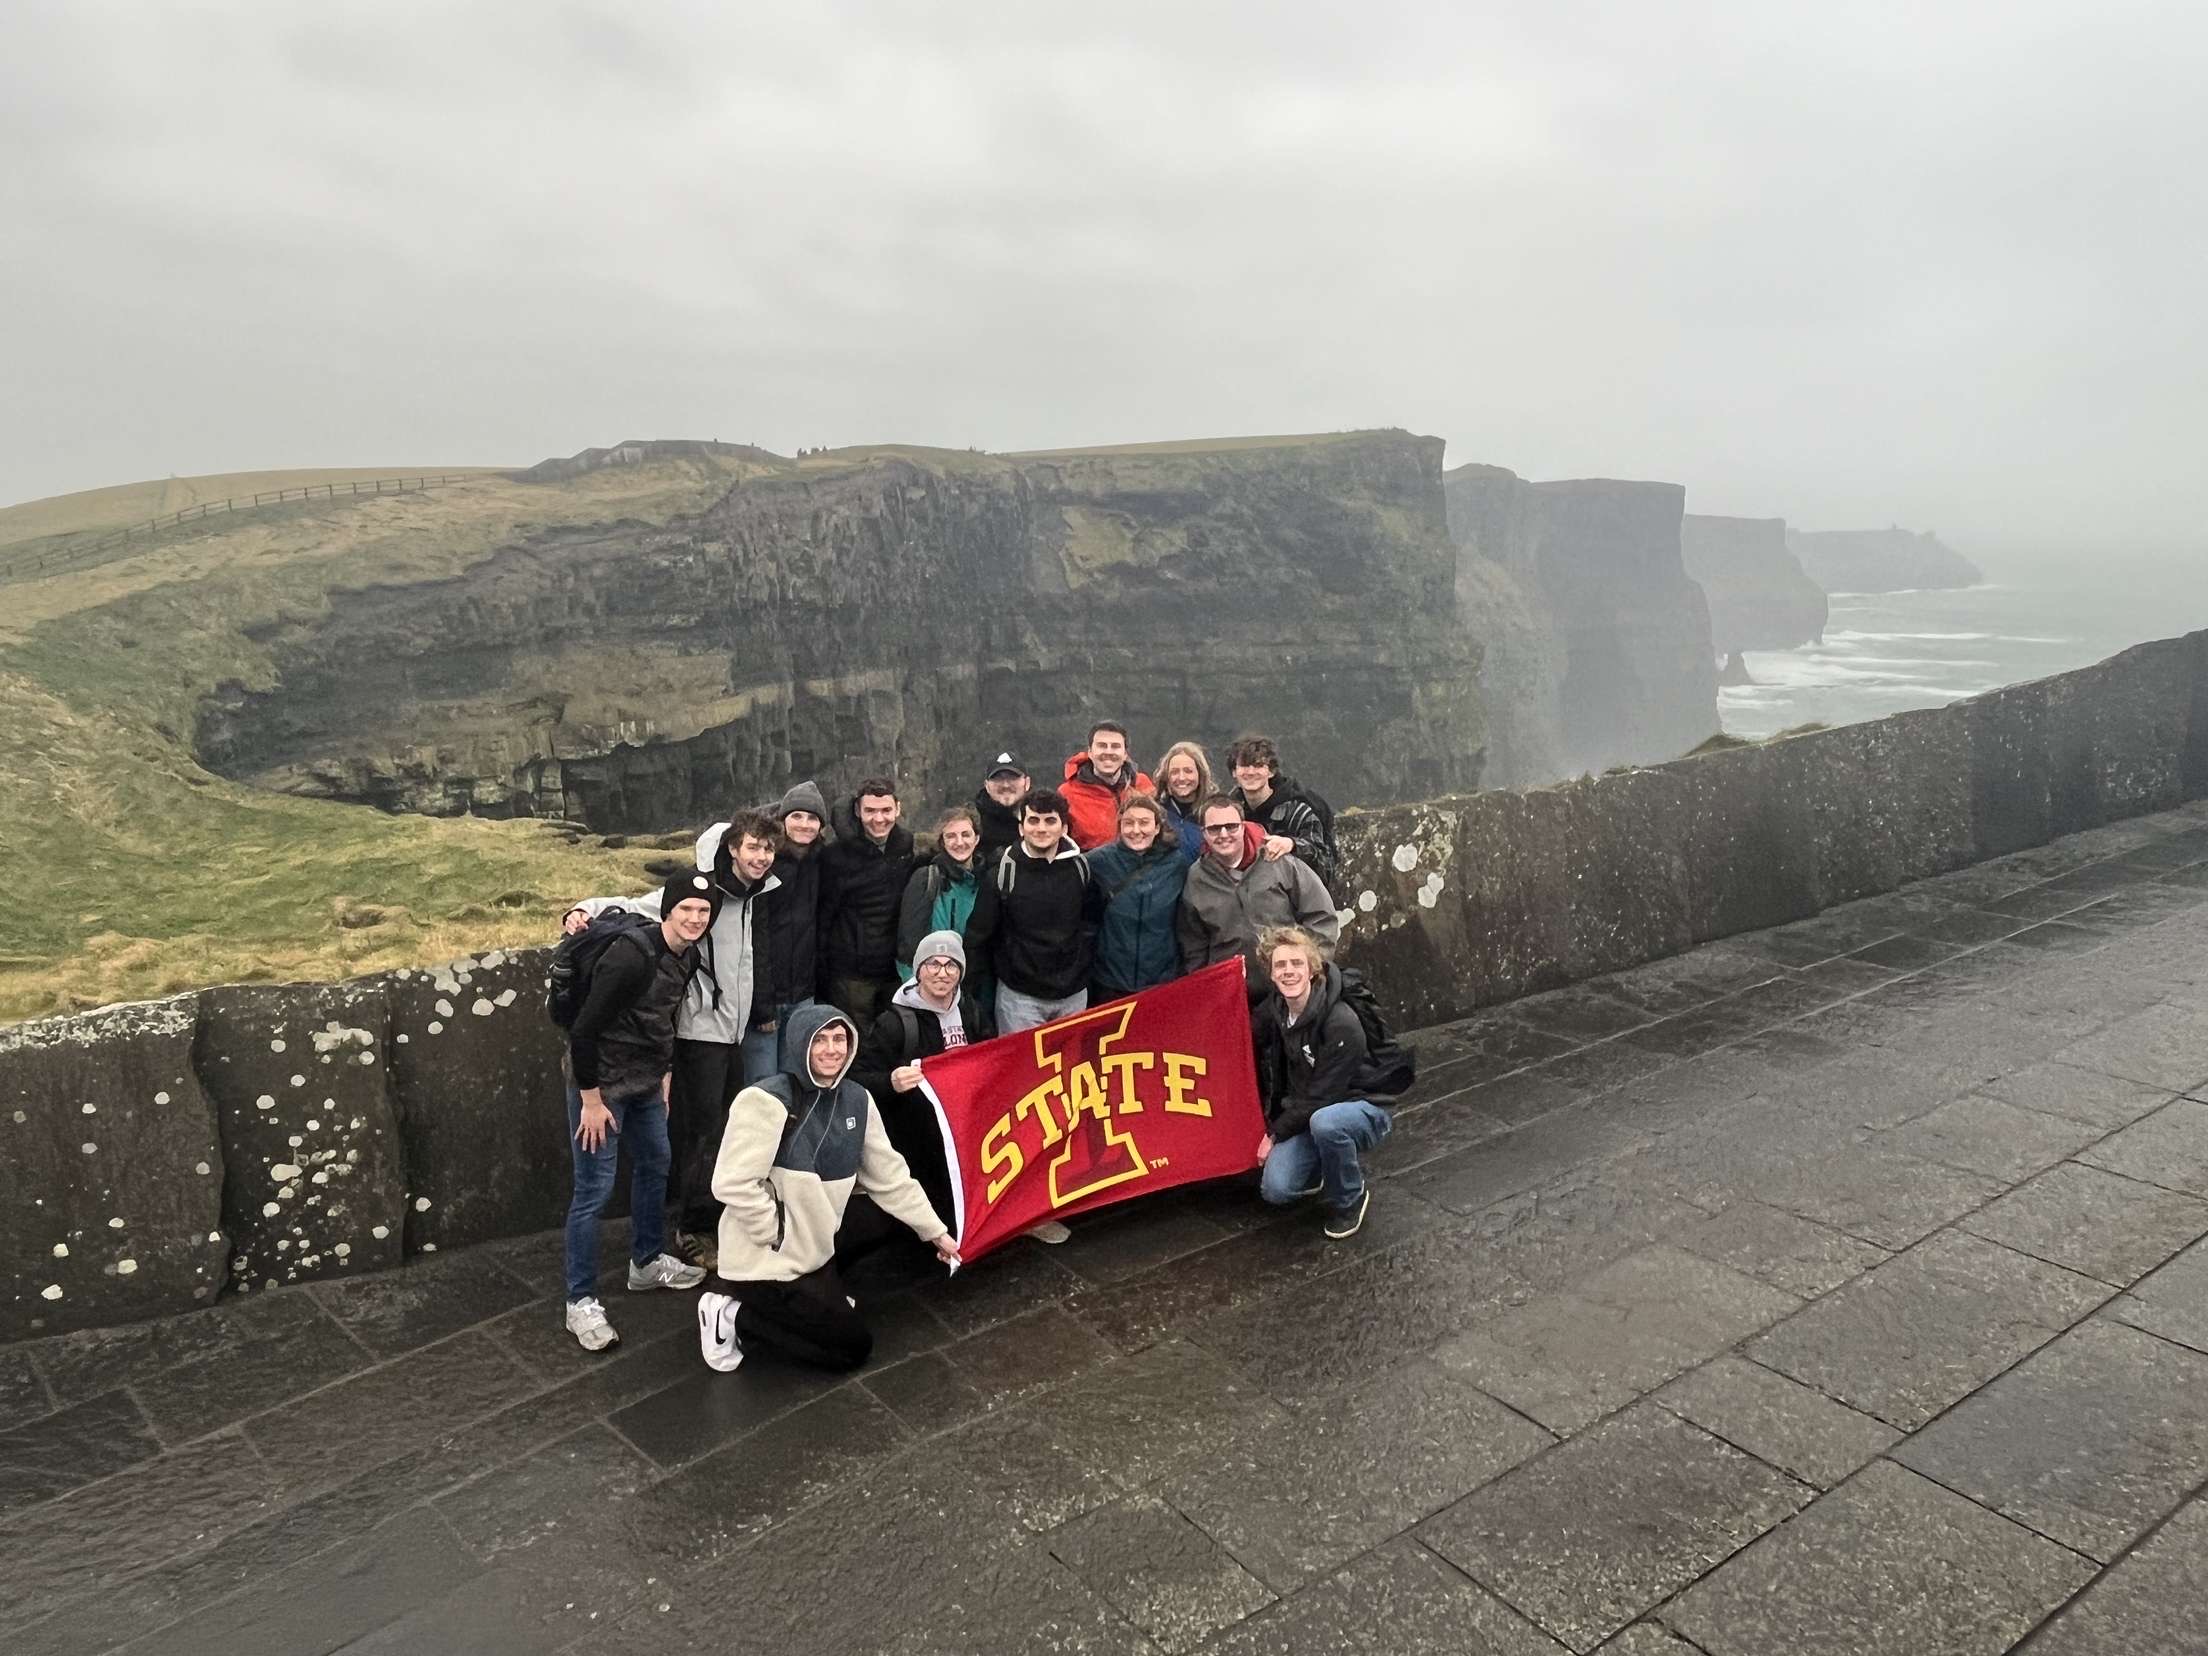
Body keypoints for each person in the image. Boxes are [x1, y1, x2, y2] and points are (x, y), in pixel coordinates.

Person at [561, 808, 787, 1272]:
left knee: (726, 1129)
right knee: (702, 1134)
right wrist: (585, 909)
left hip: (732, 1032)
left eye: (768, 848)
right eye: (753, 847)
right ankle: (694, 1230)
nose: (762, 857)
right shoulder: (702, 893)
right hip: (699, 1034)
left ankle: (702, 1224)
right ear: (732, 849)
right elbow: (641, 904)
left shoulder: (752, 896)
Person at [697, 1004, 958, 1372]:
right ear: (800, 1044)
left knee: (888, 1216)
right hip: (768, 1259)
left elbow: (891, 1177)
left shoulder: (856, 1099)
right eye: (820, 1040)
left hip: (813, 1243)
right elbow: (731, 1182)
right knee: (851, 1349)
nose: (832, 1049)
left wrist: (936, 1233)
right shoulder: (764, 1100)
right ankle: (732, 1315)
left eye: (840, 1039)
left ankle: (824, 1286)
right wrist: (774, 1233)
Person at [560, 872, 715, 1351]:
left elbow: (662, 1018)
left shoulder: (687, 956)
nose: (694, 919)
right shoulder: (631, 956)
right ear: (666, 910)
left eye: (703, 912)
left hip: (647, 1083)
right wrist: (590, 1099)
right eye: (686, 909)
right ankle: (579, 1301)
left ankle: (646, 1263)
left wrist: (664, 1073)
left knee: (655, 1165)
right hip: (601, 1087)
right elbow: (583, 1032)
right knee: (595, 1190)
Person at [1251, 926, 1393, 1239]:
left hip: (1362, 1106)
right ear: (1271, 974)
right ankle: (1322, 1165)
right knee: (1276, 1189)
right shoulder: (1275, 1010)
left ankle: (1350, 1199)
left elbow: (1321, 1097)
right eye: (1280, 965)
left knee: (1326, 1123)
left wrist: (1274, 1134)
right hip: (1310, 1112)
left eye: (1297, 964)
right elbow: (1240, 1037)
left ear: (1312, 969)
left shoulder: (1341, 1022)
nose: (1289, 972)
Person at [851, 928, 995, 1231]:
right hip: (918, 1140)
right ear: (918, 970)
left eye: (951, 965)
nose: (942, 973)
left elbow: (991, 1057)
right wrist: (891, 1082)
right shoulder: (894, 1022)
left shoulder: (971, 1011)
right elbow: (858, 1078)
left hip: (966, 1132)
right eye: (933, 964)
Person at [1178, 794, 1340, 997]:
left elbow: (1321, 915)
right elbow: (1194, 943)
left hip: (1290, 988)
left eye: (1231, 826)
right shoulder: (1196, 879)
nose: (1223, 834)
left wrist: (1312, 968)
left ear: (1243, 826)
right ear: (1203, 833)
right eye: (1214, 828)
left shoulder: (1278, 862)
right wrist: (1208, 987)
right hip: (1234, 996)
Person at [966, 785, 1096, 1033]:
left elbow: (1091, 924)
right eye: (1033, 820)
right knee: (1021, 1070)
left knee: (1069, 1070)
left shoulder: (1081, 869)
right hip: (1019, 997)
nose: (1041, 828)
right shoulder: (1003, 873)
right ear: (1021, 827)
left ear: (1064, 827)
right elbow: (978, 936)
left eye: (1050, 821)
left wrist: (1082, 967)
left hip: (1073, 995)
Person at [817, 778, 916, 1026]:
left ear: (898, 809)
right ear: (857, 811)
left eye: (886, 810)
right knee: (855, 1041)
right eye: (870, 811)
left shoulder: (905, 847)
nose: (879, 819)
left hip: (895, 969)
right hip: (851, 974)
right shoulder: (835, 856)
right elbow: (823, 916)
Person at [1086, 792, 1190, 1003]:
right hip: (1109, 981)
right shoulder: (1098, 862)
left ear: (1157, 827)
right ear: (1120, 827)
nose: (1136, 831)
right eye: (1129, 823)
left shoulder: (1177, 864)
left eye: (1144, 823)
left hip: (1161, 981)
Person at [1229, 735, 1338, 889]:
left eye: (1259, 765)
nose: (1251, 772)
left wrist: (1292, 845)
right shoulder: (1229, 812)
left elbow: (1324, 861)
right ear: (1234, 772)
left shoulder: (1298, 812)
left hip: (1293, 898)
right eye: (1244, 765)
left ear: (1271, 772)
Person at [896, 806, 984, 983]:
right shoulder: (926, 879)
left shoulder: (987, 880)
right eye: (951, 836)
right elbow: (908, 944)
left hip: (975, 982)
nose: (959, 842)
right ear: (942, 842)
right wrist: (916, 988)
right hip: (933, 982)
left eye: (966, 835)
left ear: (977, 839)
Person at [1060, 721, 1155, 851]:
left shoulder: (1143, 785)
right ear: (1090, 752)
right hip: (1092, 868)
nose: (1108, 752)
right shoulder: (1068, 793)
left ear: (1125, 754)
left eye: (1115, 746)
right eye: (1102, 746)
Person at [1153, 740, 1215, 860]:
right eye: (1175, 772)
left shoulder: (1215, 812)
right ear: (1166, 777)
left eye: (1188, 771)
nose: (1181, 778)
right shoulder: (1155, 813)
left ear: (1200, 774)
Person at [972, 752, 1030, 862]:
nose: (1006, 785)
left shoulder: (1044, 817)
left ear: (1027, 783)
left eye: (1013, 778)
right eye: (998, 779)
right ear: (986, 786)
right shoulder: (974, 822)